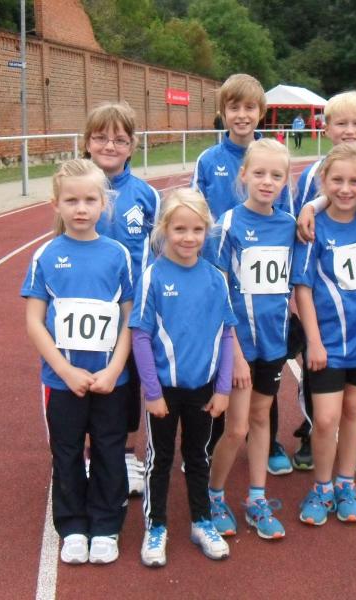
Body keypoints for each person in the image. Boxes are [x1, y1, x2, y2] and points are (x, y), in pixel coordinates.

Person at [21, 159, 134, 564]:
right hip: (61, 380)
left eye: (89, 200)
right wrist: (65, 370)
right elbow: (34, 322)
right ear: (56, 204)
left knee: (109, 450)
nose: (81, 208)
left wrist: (115, 369)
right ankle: (71, 526)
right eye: (71, 201)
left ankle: (106, 524)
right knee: (66, 452)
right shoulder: (46, 255)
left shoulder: (118, 255)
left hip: (110, 381)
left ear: (104, 204)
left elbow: (130, 319)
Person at [191, 73, 295, 474]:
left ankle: (269, 441)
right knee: (224, 363)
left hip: (262, 281)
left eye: (249, 108)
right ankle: (211, 442)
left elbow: (287, 213)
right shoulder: (209, 160)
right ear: (223, 112)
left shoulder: (273, 157)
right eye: (233, 107)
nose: (241, 115)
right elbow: (194, 209)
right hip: (219, 271)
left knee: (266, 363)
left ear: (261, 112)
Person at [130, 188, 237, 567]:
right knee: (159, 459)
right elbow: (140, 336)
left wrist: (223, 388)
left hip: (203, 390)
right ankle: (156, 526)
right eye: (179, 229)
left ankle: (201, 521)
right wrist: (152, 392)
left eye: (196, 229)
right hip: (164, 392)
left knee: (198, 457)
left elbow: (227, 334)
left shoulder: (215, 278)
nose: (188, 237)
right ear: (164, 229)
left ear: (206, 230)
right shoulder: (153, 277)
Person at [291, 90, 356, 473]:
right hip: (321, 297)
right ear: (326, 128)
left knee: (354, 390)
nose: (349, 130)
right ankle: (310, 429)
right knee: (316, 369)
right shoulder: (310, 175)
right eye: (341, 123)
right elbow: (299, 220)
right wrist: (311, 205)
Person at [205, 139, 297, 540]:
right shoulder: (227, 225)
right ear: (243, 175)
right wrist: (236, 354)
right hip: (238, 346)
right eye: (259, 173)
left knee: (261, 420)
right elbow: (217, 293)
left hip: (273, 345)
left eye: (276, 175)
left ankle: (257, 498)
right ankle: (213, 495)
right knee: (237, 428)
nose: (267, 181)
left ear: (286, 181)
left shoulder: (290, 226)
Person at [84, 102, 162, 498]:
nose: (109, 145)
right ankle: (90, 454)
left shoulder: (146, 195)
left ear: (132, 146)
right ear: (87, 143)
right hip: (87, 310)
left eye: (119, 139)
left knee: (129, 385)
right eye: (100, 137)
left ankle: (129, 455)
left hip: (132, 312)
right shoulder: (78, 189)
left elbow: (159, 252)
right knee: (86, 381)